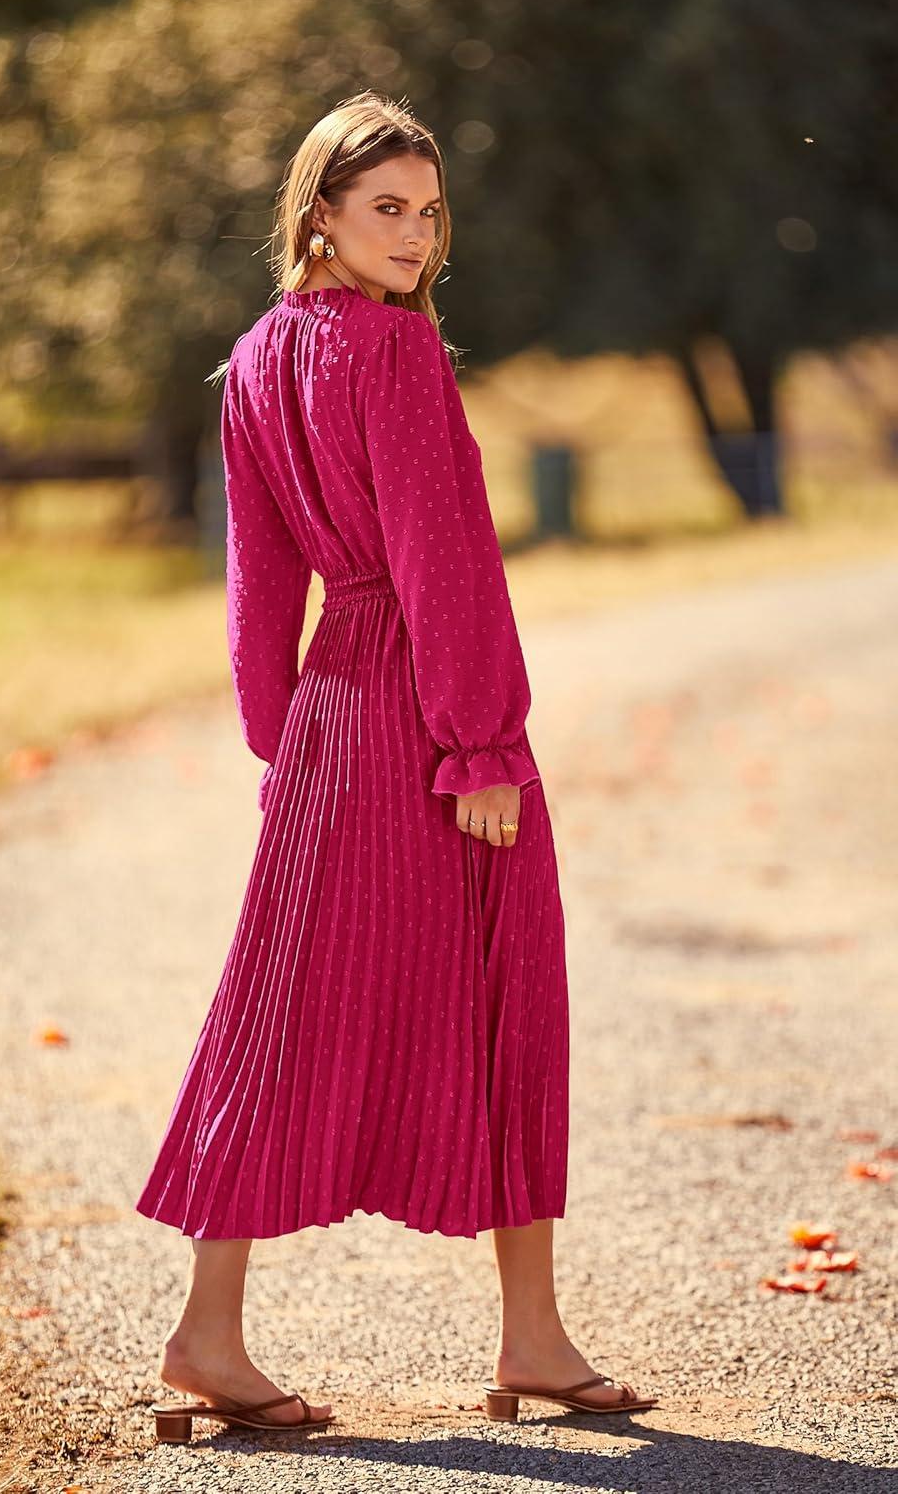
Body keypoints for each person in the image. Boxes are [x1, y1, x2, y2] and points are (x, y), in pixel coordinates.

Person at [135, 90, 657, 1440]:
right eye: (387, 210)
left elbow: (259, 579)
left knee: (281, 1013)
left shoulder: (256, 356)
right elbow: (444, 556)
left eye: (428, 212)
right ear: (320, 213)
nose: (416, 236)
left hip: (333, 715)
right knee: (501, 991)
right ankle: (525, 1337)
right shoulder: (396, 349)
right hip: (426, 715)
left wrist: (284, 740)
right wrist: (480, 744)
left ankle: (216, 1331)